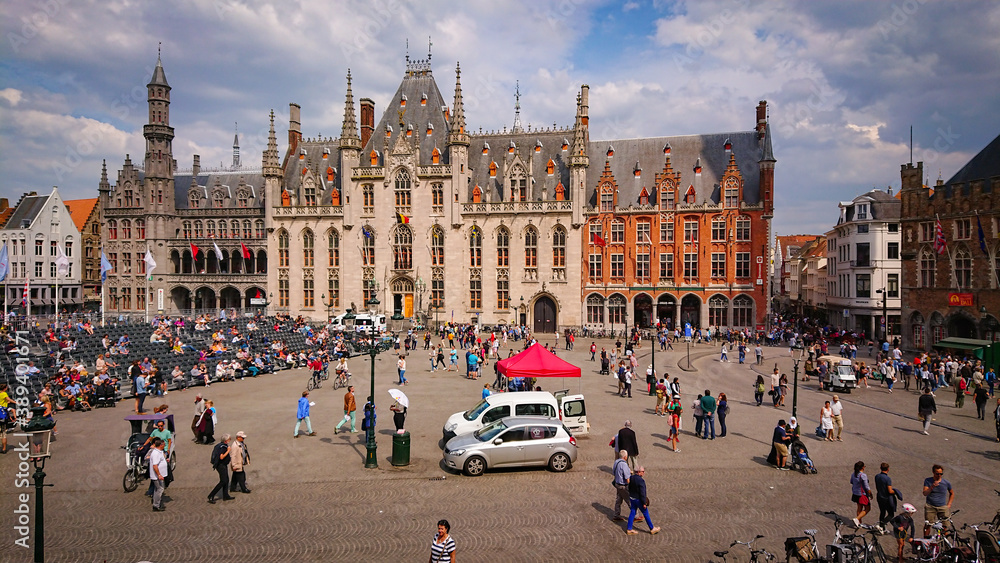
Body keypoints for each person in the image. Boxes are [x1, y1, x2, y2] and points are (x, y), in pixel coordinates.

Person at [625, 466, 661, 535]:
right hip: (639, 500)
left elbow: (629, 488)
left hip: (632, 498)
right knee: (645, 513)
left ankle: (629, 528)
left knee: (632, 512)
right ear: (638, 472)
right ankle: (652, 528)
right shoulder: (641, 481)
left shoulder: (631, 478)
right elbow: (642, 493)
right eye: (643, 471)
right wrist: (644, 503)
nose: (644, 473)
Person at [921, 464, 953, 537]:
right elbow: (925, 493)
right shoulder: (928, 481)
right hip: (930, 506)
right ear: (933, 472)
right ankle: (926, 541)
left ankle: (945, 542)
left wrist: (949, 504)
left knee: (945, 526)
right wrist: (932, 486)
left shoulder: (946, 483)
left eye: (941, 474)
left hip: (942, 507)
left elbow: (952, 493)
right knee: (928, 525)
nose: (939, 475)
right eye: (937, 473)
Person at [208, 434, 234, 504]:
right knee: (223, 481)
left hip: (222, 465)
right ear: (226, 440)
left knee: (226, 480)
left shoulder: (219, 445)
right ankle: (211, 495)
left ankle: (226, 495)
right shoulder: (223, 447)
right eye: (229, 439)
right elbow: (221, 457)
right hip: (221, 466)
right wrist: (228, 451)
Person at [875, 462, 899, 529]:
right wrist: (896, 492)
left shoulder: (877, 476)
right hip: (886, 498)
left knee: (882, 512)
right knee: (891, 514)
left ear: (880, 468)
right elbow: (890, 491)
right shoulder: (887, 479)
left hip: (879, 496)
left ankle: (882, 527)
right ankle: (882, 524)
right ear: (888, 469)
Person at [148, 437, 168, 512]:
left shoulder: (159, 451)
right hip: (157, 476)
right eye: (164, 445)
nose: (164, 446)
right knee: (160, 489)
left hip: (159, 475)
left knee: (158, 489)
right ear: (160, 445)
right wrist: (159, 475)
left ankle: (156, 504)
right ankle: (156, 505)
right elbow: (155, 465)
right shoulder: (156, 453)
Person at [611, 449, 631, 521]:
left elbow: (613, 472)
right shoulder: (624, 464)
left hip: (617, 484)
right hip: (623, 485)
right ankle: (635, 515)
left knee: (618, 500)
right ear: (625, 457)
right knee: (629, 500)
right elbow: (627, 477)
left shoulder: (616, 462)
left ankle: (616, 515)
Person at [850, 460, 872, 526]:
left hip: (855, 493)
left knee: (859, 508)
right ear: (862, 467)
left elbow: (851, 482)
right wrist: (870, 494)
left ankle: (859, 523)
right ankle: (857, 519)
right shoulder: (863, 475)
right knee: (867, 508)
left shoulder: (853, 474)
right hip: (862, 494)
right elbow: (866, 486)